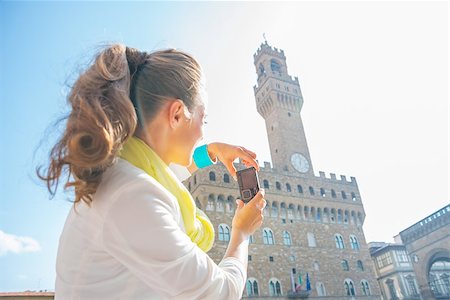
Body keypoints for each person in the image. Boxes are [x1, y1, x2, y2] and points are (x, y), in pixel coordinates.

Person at [38, 44, 266, 299]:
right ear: (177, 114)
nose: (203, 133)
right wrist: (241, 232)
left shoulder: (123, 172)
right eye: (204, 120)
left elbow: (176, 170)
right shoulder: (132, 195)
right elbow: (221, 293)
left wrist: (211, 151)